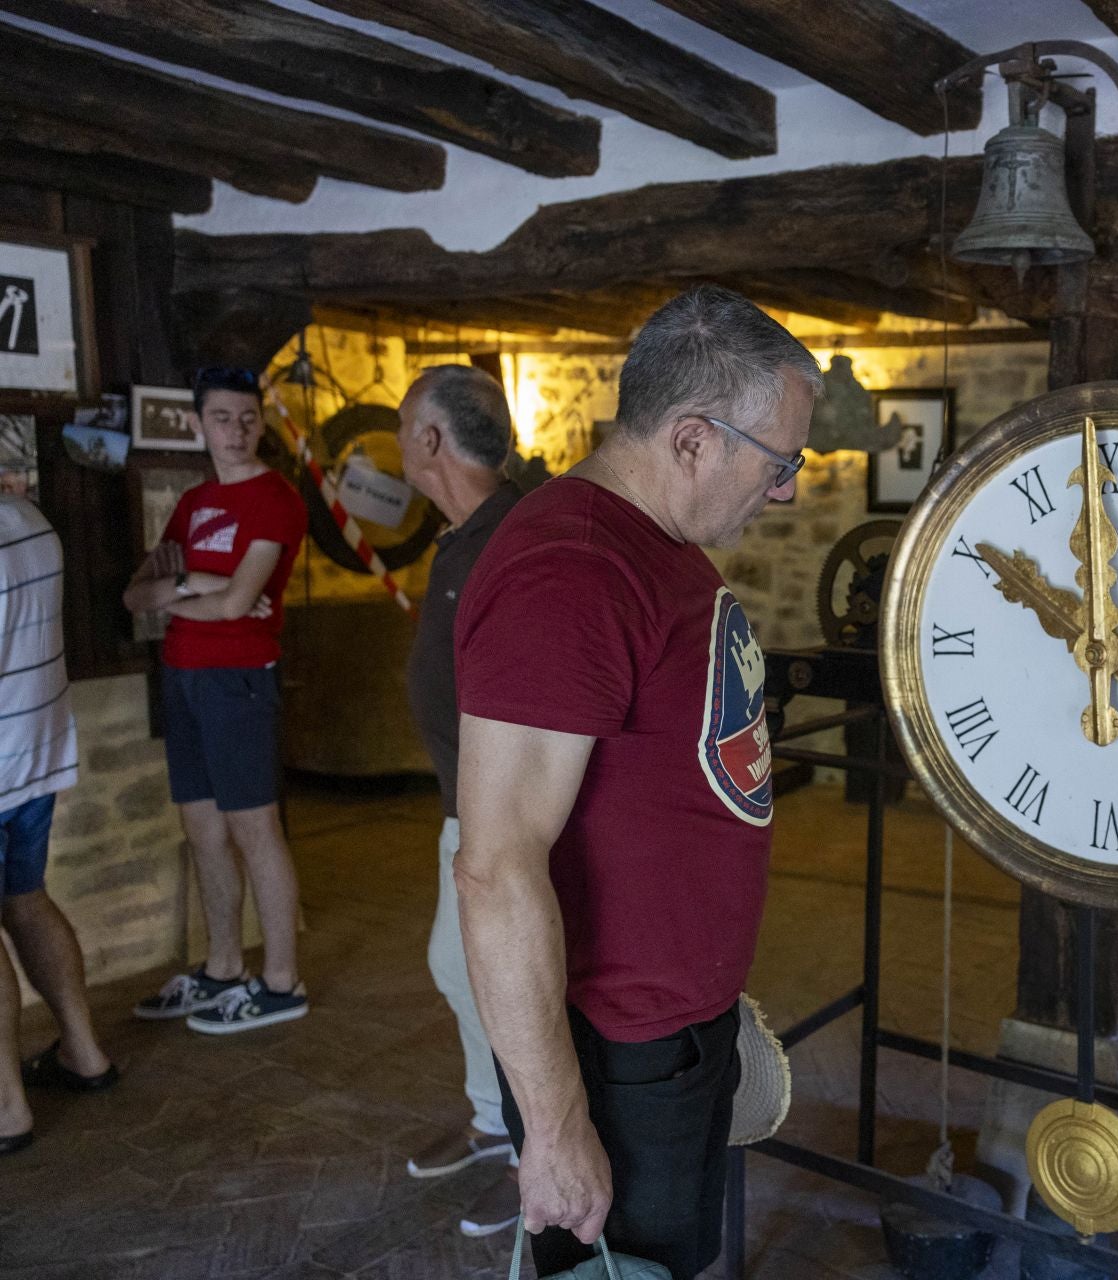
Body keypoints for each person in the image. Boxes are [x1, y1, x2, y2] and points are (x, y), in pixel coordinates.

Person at [454, 285, 818, 1278]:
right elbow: (495, 866)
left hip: (670, 1033)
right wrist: (558, 1121)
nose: (785, 488)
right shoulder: (569, 568)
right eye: (779, 461)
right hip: (616, 1052)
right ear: (694, 438)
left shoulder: (659, 548)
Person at [122, 366, 309, 1033]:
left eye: (248, 418)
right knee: (203, 831)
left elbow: (237, 605)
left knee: (255, 829)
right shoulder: (194, 503)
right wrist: (195, 583)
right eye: (223, 418)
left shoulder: (276, 498)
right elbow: (135, 595)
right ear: (198, 424)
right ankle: (223, 965)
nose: (237, 430)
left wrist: (188, 591)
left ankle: (283, 981)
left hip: (238, 678)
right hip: (183, 676)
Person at [395, 365, 524, 1237]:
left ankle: (533, 1147)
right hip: (463, 803)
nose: (399, 444)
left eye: (405, 428)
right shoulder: (463, 533)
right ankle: (492, 1116)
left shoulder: (507, 537)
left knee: (499, 980)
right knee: (457, 967)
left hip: (502, 810)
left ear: (433, 440)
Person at [0, 494, 117, 1156]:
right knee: (25, 898)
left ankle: (6, 1108)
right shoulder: (31, 520)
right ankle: (84, 1052)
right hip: (34, 757)